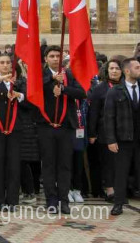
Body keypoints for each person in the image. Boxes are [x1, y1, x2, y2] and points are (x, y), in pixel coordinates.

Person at [37, 46, 86, 213]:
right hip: (46, 127)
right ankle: (51, 199)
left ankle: (63, 200)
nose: (56, 59)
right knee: (49, 165)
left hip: (66, 127)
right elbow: (34, 91)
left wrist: (64, 89)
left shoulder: (70, 75)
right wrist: (51, 79)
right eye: (52, 56)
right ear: (46, 59)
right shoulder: (41, 75)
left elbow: (82, 93)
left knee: (65, 165)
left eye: (58, 56)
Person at [0, 54, 28, 211]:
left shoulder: (19, 81)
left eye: (8, 63)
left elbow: (30, 99)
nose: (5, 65)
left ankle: (12, 200)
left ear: (12, 65)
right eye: (2, 62)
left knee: (13, 164)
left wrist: (19, 95)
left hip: (15, 127)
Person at [103, 58, 140, 216]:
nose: (139, 70)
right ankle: (118, 203)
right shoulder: (115, 91)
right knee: (121, 172)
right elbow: (109, 117)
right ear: (127, 71)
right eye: (137, 67)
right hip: (123, 139)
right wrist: (111, 140)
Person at [88, 59, 121, 202]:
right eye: (111, 68)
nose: (114, 71)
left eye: (117, 68)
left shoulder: (126, 86)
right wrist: (92, 133)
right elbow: (93, 112)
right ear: (106, 70)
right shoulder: (99, 88)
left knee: (121, 162)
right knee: (108, 162)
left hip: (124, 131)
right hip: (104, 131)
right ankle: (110, 190)